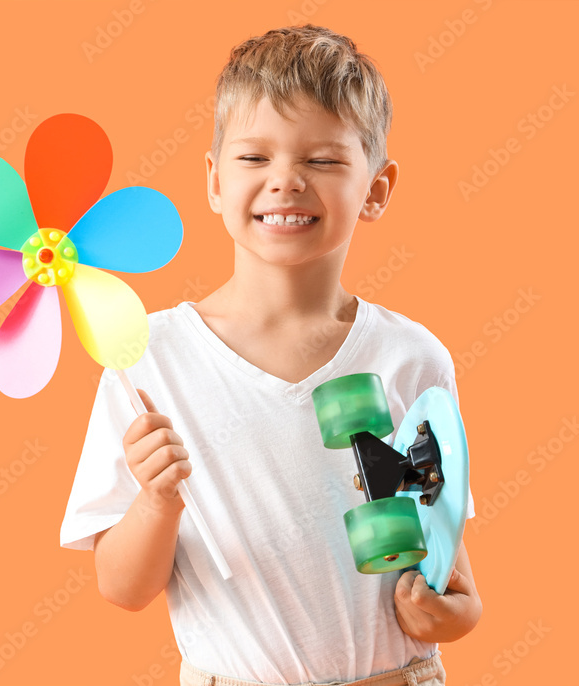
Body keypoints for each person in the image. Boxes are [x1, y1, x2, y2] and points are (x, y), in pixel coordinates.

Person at [60, 24, 481, 686]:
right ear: (214, 182)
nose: (285, 181)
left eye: (323, 160)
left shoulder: (410, 358)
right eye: (254, 159)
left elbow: (447, 562)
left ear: (376, 187)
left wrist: (450, 612)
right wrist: (156, 502)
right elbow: (122, 587)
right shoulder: (149, 358)